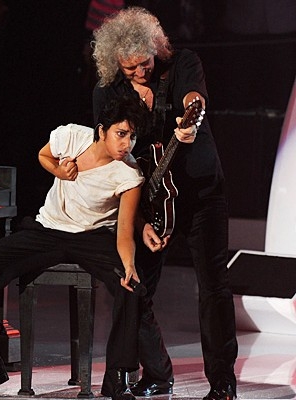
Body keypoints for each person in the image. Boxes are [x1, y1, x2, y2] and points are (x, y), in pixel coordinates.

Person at [0, 96, 149, 400]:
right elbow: (43, 155)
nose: (127, 144)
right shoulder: (72, 136)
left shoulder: (129, 173)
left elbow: (124, 230)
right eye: (121, 134)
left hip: (93, 237)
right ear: (102, 131)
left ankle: (118, 376)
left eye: (133, 136)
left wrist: (129, 265)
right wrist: (58, 171)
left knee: (131, 286)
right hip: (48, 229)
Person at [91, 7, 238, 400]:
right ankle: (157, 373)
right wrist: (138, 221)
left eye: (146, 62)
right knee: (133, 287)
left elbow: (194, 95)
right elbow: (111, 160)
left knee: (214, 286)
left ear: (155, 48)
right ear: (115, 62)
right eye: (131, 67)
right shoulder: (108, 92)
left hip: (200, 192)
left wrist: (192, 117)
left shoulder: (183, 63)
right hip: (148, 201)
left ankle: (223, 383)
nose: (141, 71)